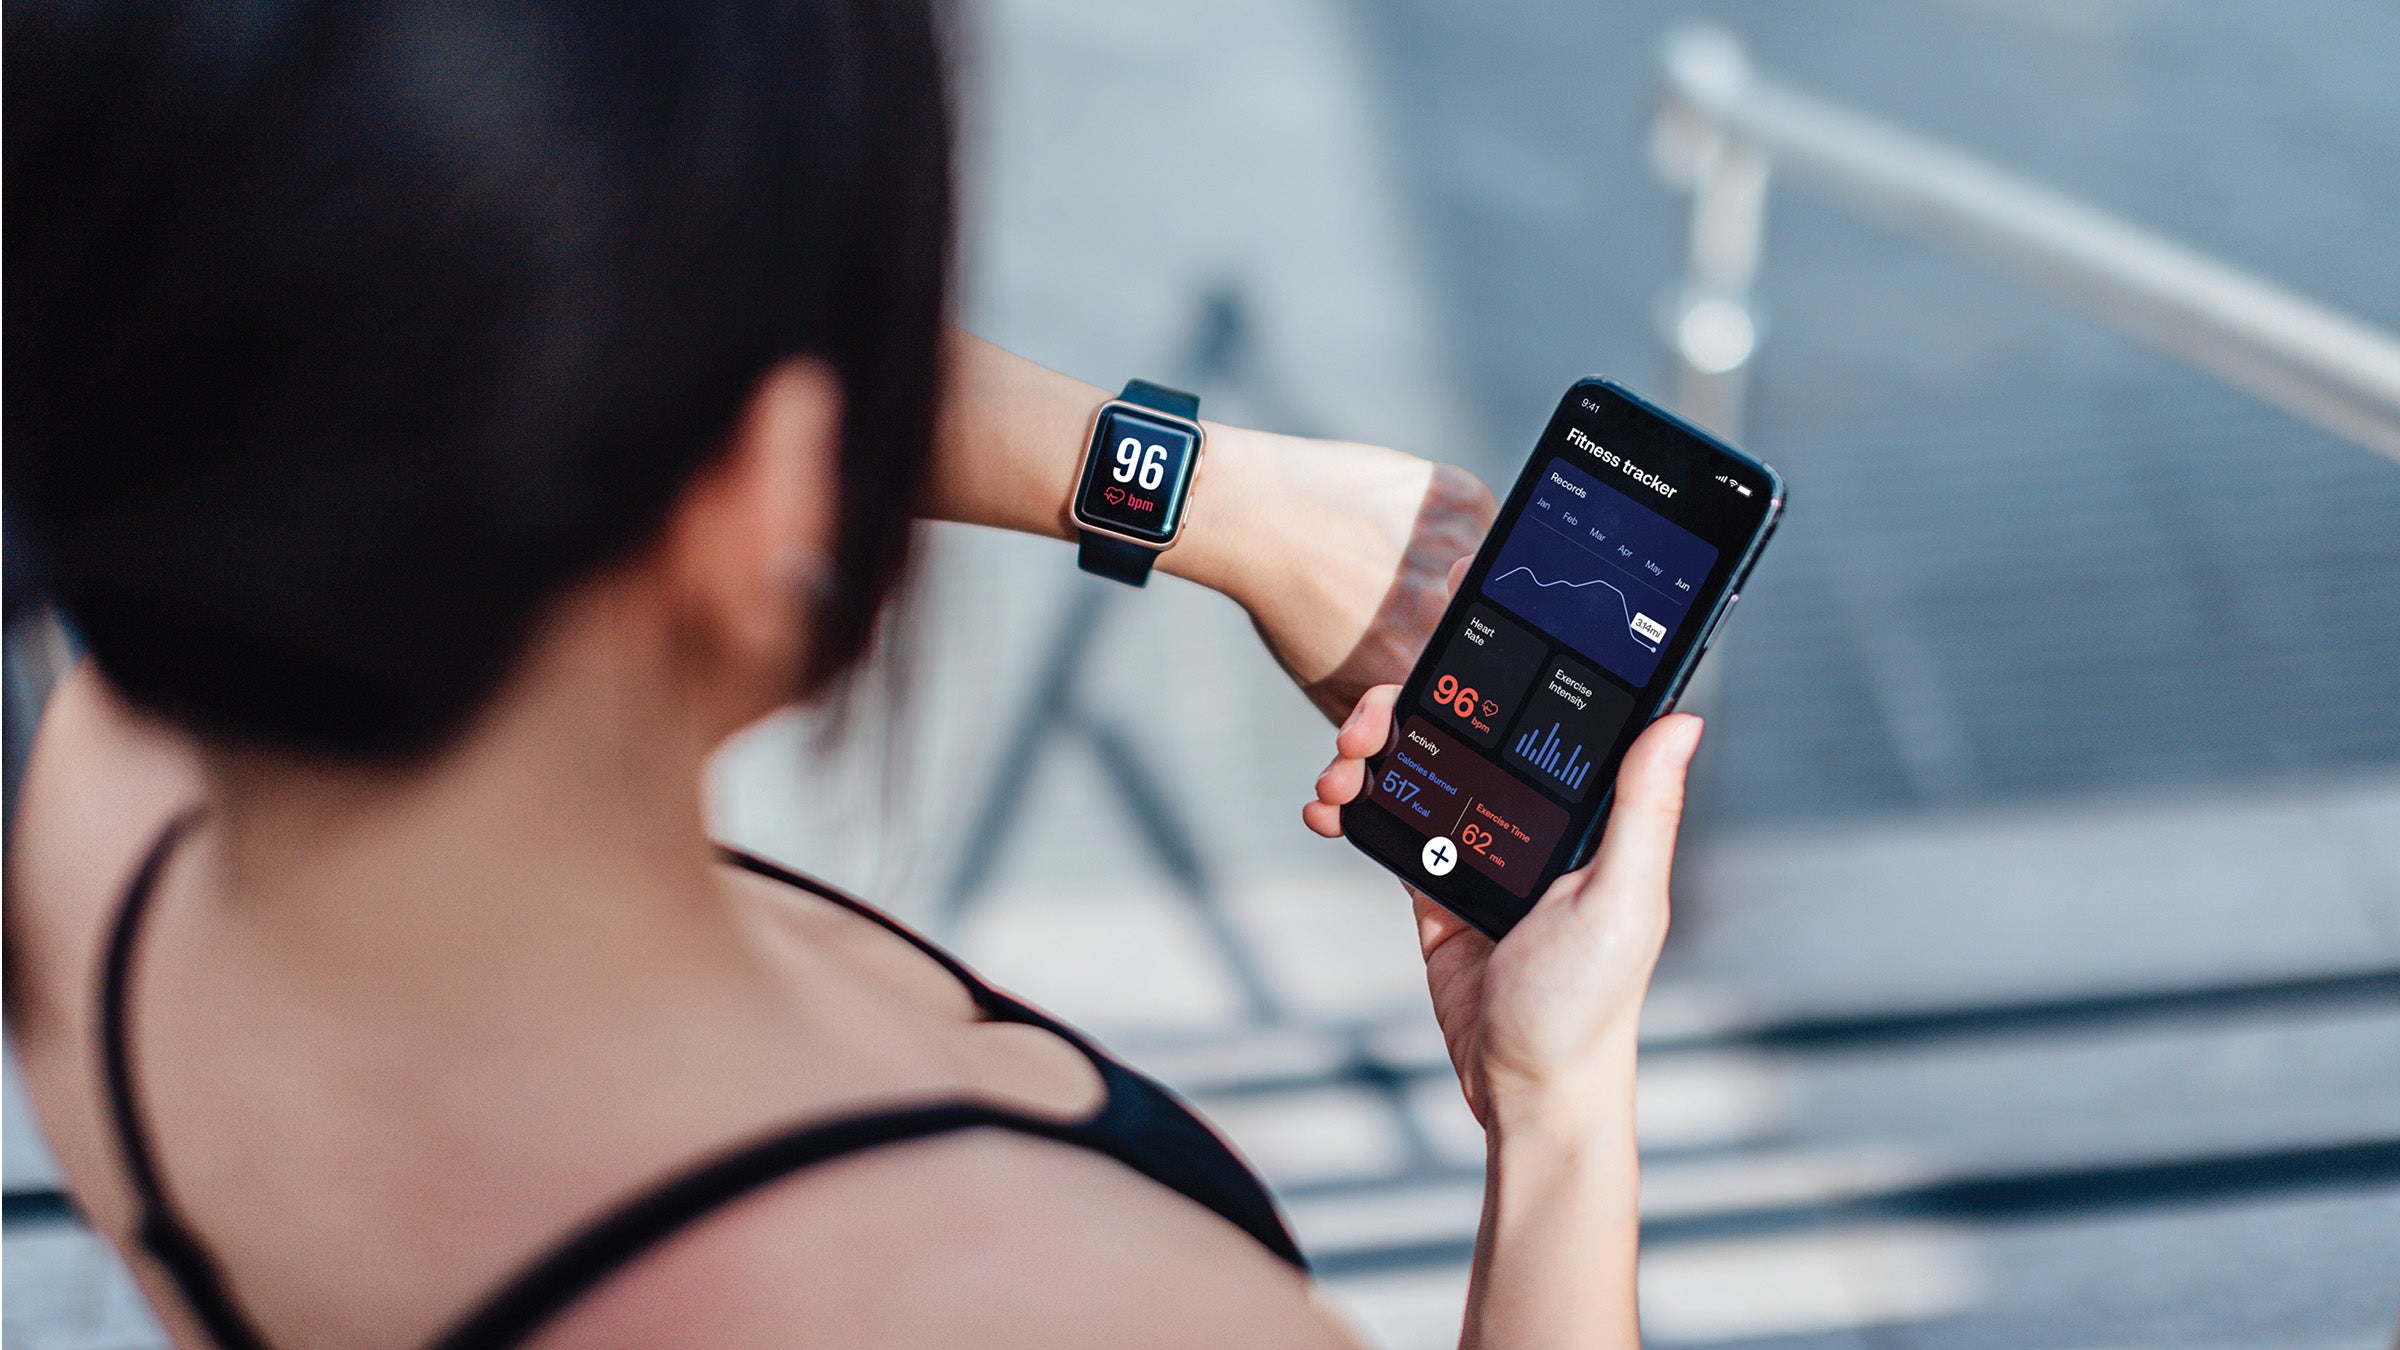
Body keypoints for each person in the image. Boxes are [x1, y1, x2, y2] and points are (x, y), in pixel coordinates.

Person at [4, 1, 1703, 1344]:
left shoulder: (106, 807)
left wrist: (1220, 500)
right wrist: (1557, 1113)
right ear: (775, 490)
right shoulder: (1063, 1308)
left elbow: (414, 319)